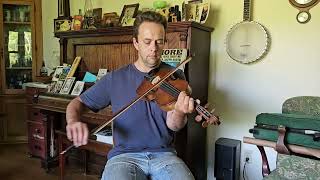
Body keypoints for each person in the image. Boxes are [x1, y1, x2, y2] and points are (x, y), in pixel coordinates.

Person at [66, 11, 216, 180]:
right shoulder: (115, 78)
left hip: (164, 155)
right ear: (136, 43)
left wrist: (180, 111)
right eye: (147, 42)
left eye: (159, 42)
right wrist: (73, 121)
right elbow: (77, 103)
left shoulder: (175, 75)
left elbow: (174, 125)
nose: (154, 48)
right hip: (124, 156)